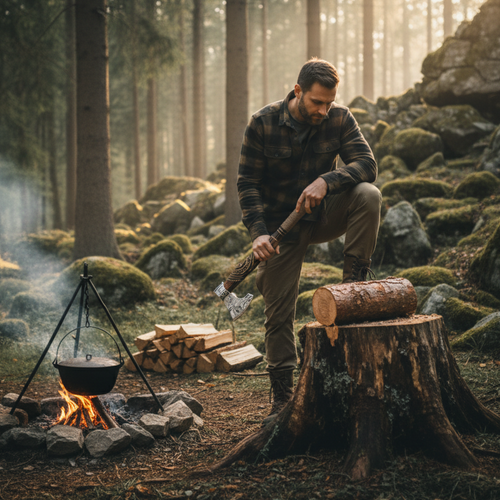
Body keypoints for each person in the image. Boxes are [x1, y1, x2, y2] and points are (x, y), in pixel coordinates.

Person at [237, 58, 382, 425]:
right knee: (278, 312)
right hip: (279, 231)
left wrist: (328, 180)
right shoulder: (262, 123)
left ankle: (354, 282)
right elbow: (247, 184)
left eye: (329, 102)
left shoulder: (340, 118)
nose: (324, 109)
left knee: (368, 194)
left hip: (322, 216)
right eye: (317, 102)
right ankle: (283, 399)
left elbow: (367, 164)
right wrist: (258, 235)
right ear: (298, 91)